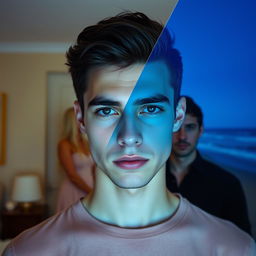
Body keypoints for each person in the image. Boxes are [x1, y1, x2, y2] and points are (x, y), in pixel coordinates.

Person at [3, 12, 255, 256]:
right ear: (81, 119)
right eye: (106, 110)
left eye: (151, 108)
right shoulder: (28, 251)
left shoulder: (234, 248)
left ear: (177, 116)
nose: (129, 136)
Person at [166, 96, 252, 234]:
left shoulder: (228, 184)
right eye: (176, 128)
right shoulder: (147, 179)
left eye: (190, 127)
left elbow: (243, 241)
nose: (182, 136)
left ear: (200, 131)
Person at [56, 107, 95, 212]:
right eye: (80, 118)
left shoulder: (87, 142)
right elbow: (72, 175)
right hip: (74, 190)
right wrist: (91, 192)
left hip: (91, 189)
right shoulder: (65, 144)